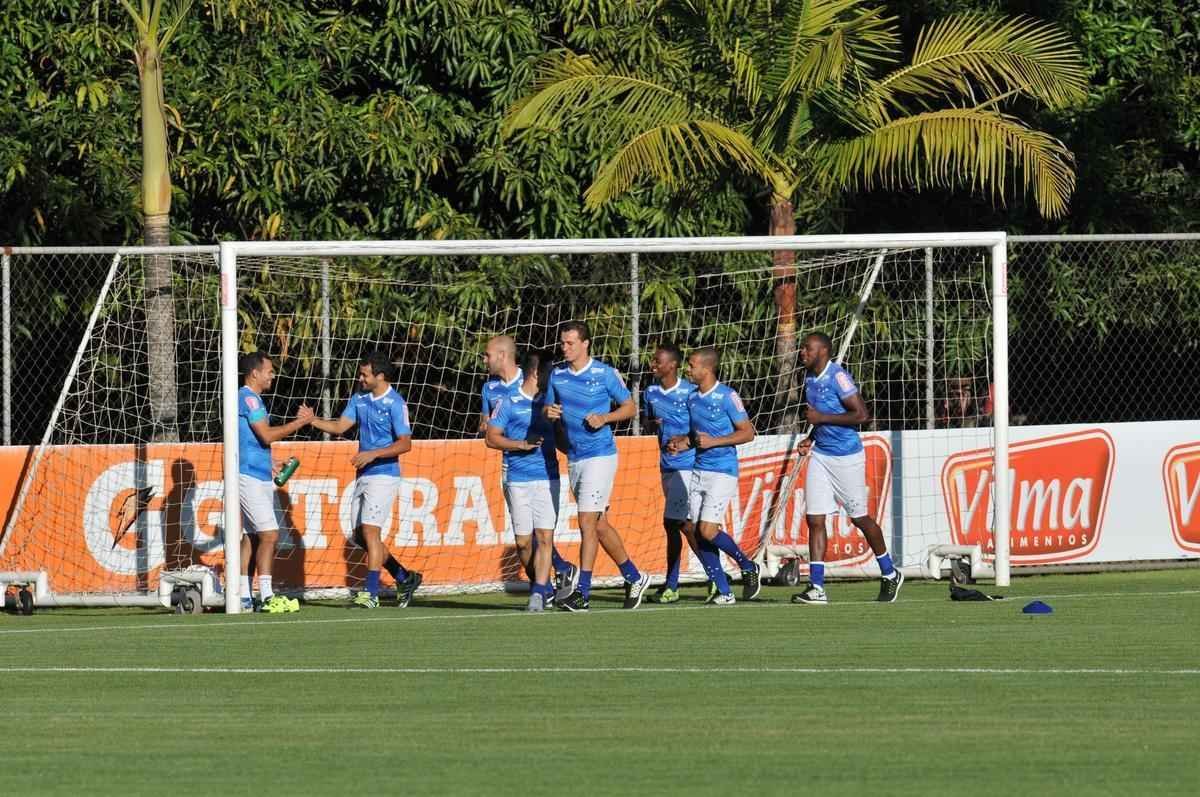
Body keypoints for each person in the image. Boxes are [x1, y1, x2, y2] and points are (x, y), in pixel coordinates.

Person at [544, 320, 651, 612]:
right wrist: (549, 412)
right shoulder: (557, 376)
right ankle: (634, 576)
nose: (564, 348)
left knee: (586, 522)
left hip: (601, 456)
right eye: (563, 343)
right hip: (575, 458)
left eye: (570, 343)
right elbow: (548, 409)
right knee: (600, 525)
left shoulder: (604, 374)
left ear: (585, 343)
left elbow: (630, 407)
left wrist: (605, 418)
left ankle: (583, 592)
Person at [791, 333, 903, 605]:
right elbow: (821, 420)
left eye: (808, 348)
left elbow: (862, 415)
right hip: (821, 456)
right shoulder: (808, 379)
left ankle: (889, 572)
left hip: (847, 458)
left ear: (824, 351)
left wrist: (821, 418)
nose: (802, 352)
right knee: (815, 518)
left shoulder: (838, 377)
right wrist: (812, 437)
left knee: (859, 519)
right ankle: (816, 587)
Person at [310, 352, 422, 609]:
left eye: (365, 374)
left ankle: (370, 593)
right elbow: (340, 427)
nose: (360, 378)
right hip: (364, 475)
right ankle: (404, 577)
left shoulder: (395, 403)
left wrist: (373, 454)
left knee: (371, 531)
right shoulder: (359, 399)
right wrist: (312, 420)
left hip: (384, 475)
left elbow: (405, 443)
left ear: (380, 376)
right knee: (361, 536)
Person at [481, 335, 579, 602]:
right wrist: (519, 443)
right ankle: (551, 579)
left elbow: (564, 441)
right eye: (549, 371)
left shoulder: (552, 400)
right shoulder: (500, 395)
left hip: (547, 476)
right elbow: (490, 434)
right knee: (524, 542)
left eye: (487, 354)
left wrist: (560, 426)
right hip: (513, 473)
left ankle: (539, 592)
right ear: (538, 371)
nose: (484, 359)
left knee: (544, 536)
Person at [666, 347, 760, 605]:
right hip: (698, 469)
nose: (688, 369)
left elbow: (748, 433)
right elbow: (696, 437)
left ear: (707, 369)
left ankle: (747, 565)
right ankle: (724, 591)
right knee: (698, 531)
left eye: (692, 365)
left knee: (707, 530)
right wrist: (682, 443)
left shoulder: (727, 396)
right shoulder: (692, 398)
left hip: (722, 471)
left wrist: (715, 442)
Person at [237, 351, 313, 613]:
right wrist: (300, 423)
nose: (272, 375)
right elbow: (266, 436)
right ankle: (268, 596)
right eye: (269, 370)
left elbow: (250, 441)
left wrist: (271, 463)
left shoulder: (251, 398)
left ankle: (244, 597)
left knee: (253, 537)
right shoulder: (249, 398)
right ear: (255, 373)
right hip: (247, 476)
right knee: (270, 534)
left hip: (255, 473)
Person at [641, 344, 702, 604]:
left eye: (658, 361)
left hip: (688, 465)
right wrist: (651, 425)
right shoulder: (651, 392)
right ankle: (716, 575)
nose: (653, 365)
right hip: (666, 464)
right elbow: (647, 422)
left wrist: (685, 440)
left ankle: (674, 585)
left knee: (673, 523)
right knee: (685, 525)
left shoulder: (690, 393)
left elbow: (701, 431)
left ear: (673, 365)